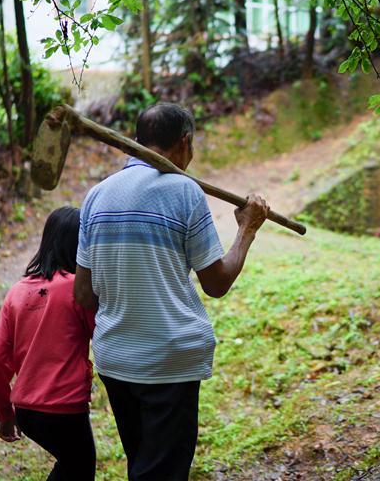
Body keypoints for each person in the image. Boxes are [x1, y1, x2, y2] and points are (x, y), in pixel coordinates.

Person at [74, 102, 269, 480]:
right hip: (168, 362)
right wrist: (247, 230)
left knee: (144, 464)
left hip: (116, 362)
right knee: (161, 473)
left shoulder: (96, 196)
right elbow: (216, 283)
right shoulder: (185, 191)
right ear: (185, 142)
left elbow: (83, 293)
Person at [0, 206, 97, 480]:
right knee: (80, 467)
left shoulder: (16, 292)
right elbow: (101, 334)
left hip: (26, 412)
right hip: (66, 408)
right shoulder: (78, 289)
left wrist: (4, 412)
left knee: (73, 464)